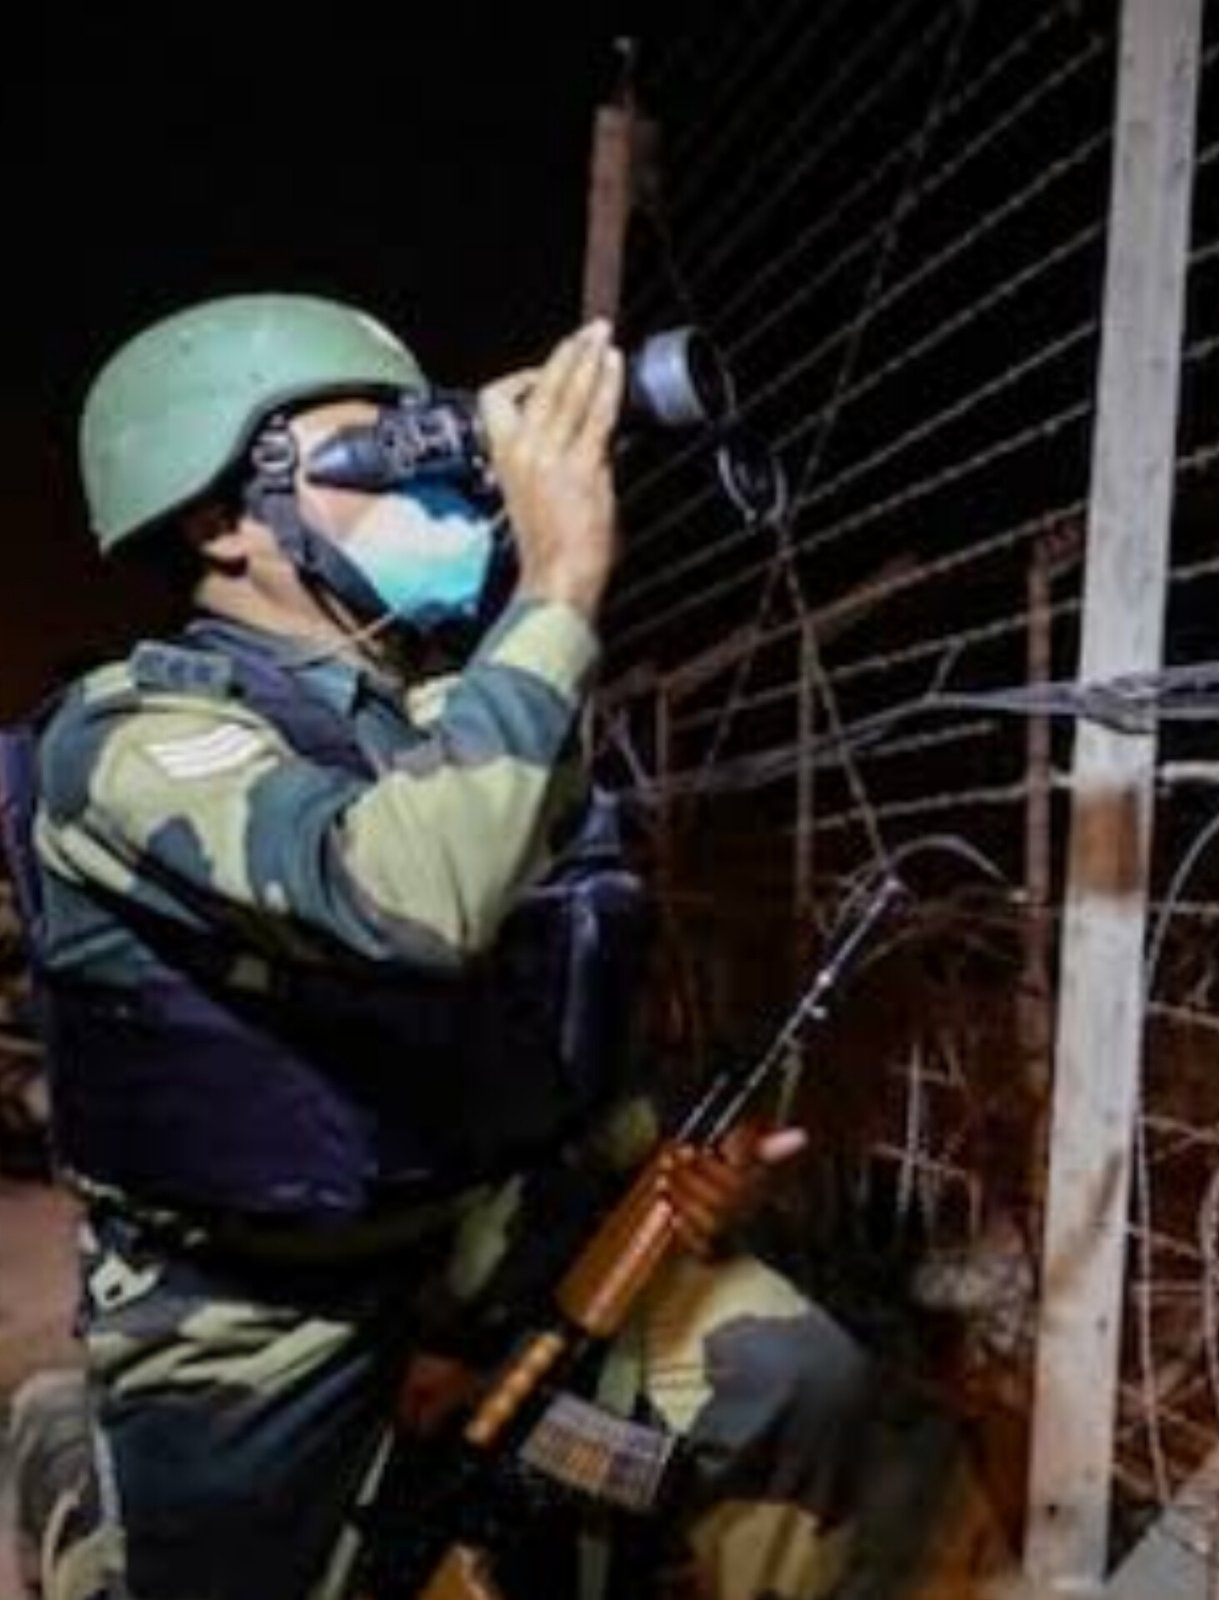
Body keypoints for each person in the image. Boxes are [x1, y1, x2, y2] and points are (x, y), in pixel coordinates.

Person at [3, 292, 875, 1600]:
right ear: (223, 520)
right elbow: (413, 894)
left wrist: (655, 1169)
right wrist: (560, 581)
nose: (440, 492)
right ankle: (65, 1458)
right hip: (263, 1307)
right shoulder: (131, 740)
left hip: (464, 1238)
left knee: (791, 1385)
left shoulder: (438, 715)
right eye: (377, 456)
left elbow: (536, 983)